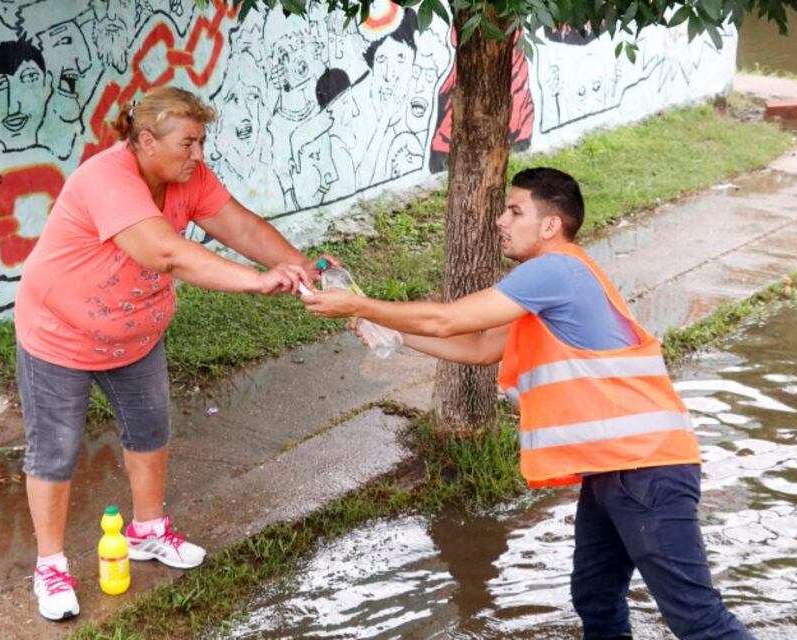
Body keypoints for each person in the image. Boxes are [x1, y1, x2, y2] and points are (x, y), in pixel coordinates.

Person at [303, 167, 753, 639]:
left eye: (514, 211)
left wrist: (360, 305)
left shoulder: (554, 270)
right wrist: (393, 331)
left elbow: (447, 321)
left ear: (550, 225)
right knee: (596, 597)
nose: (500, 220)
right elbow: (477, 348)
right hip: (616, 469)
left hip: (644, 470)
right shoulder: (556, 284)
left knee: (697, 619)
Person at [15, 86, 324, 621]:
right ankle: (50, 564)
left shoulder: (189, 179)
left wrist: (310, 274)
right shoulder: (106, 179)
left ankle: (147, 531)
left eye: (201, 142)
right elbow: (165, 253)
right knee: (55, 451)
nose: (198, 155)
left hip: (135, 335)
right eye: (188, 143)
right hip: (58, 334)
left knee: (150, 429)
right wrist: (256, 283)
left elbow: (243, 227)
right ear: (146, 141)